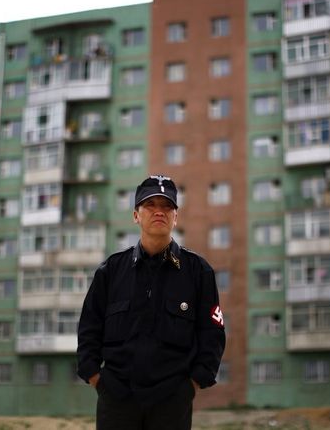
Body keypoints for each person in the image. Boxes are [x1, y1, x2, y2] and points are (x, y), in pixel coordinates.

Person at [77, 175, 226, 430]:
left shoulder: (198, 272)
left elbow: (212, 334)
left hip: (172, 401)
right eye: (150, 205)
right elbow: (89, 328)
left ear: (176, 217)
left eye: (167, 206)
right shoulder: (111, 271)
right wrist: (96, 378)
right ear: (136, 215)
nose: (159, 211)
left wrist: (192, 385)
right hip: (117, 399)